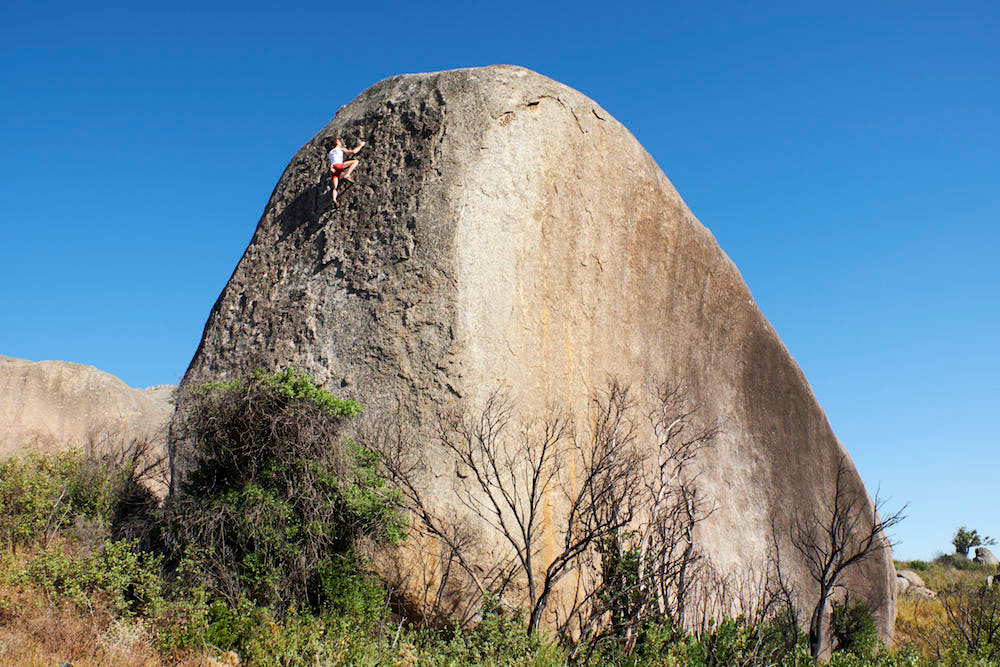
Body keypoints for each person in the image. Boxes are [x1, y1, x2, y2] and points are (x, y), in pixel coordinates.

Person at [327, 137, 366, 203]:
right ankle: (347, 175)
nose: (340, 142)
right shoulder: (339, 148)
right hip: (338, 165)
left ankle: (334, 199)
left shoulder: (330, 153)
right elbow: (353, 152)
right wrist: (361, 145)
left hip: (333, 168)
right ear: (337, 142)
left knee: (335, 187)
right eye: (339, 141)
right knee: (355, 162)